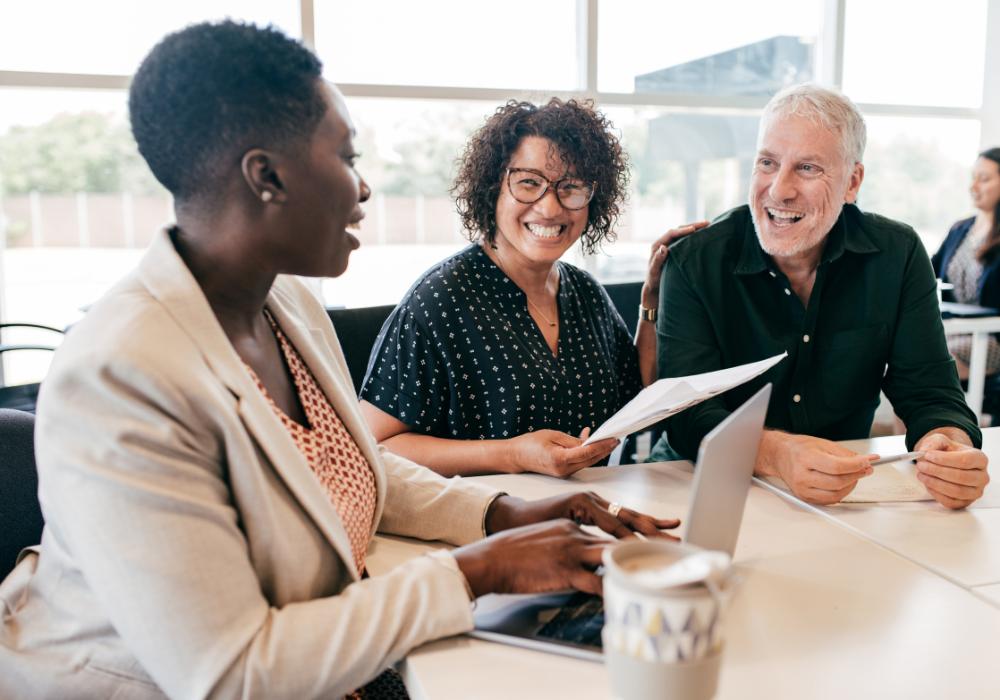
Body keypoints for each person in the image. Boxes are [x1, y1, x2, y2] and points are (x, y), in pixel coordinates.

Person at [0, 22, 681, 699]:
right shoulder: (120, 374)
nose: (363, 191)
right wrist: (477, 571)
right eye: (347, 158)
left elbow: (347, 461)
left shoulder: (287, 304)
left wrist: (503, 515)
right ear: (266, 175)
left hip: (340, 659)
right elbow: (232, 674)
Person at [654, 83, 989, 509]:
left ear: (852, 182)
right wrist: (777, 454)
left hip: (840, 491)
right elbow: (687, 414)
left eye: (807, 168)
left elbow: (930, 392)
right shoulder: (695, 261)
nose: (778, 189)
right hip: (701, 480)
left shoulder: (898, 254)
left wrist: (948, 446)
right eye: (767, 163)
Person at [360, 99, 705, 477]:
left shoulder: (584, 292)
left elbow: (638, 392)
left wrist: (651, 299)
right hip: (485, 522)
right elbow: (376, 446)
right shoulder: (440, 301)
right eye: (529, 183)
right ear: (493, 188)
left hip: (588, 513)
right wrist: (512, 454)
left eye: (571, 187)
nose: (551, 208)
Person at [932, 147, 1000, 380]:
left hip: (991, 337)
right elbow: (926, 271)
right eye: (973, 178)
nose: (974, 187)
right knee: (905, 359)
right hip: (955, 330)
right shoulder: (960, 229)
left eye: (984, 179)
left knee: (932, 365)